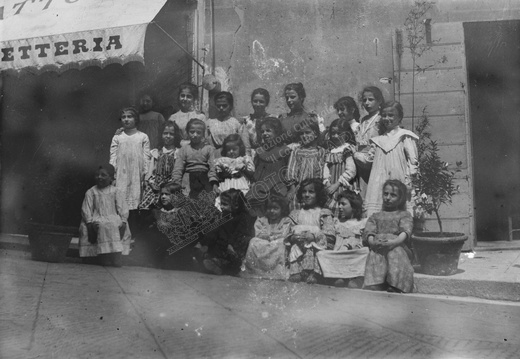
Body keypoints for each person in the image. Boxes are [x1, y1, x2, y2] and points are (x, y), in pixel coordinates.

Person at [364, 101, 419, 216]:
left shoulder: (405, 136)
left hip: (398, 176)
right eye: (384, 115)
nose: (386, 118)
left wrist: (409, 181)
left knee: (399, 208)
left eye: (391, 115)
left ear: (399, 117)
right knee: (378, 206)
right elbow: (369, 158)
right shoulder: (378, 140)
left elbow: (413, 161)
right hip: (378, 179)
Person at [364, 180, 415, 293]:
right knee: (375, 253)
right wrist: (372, 242)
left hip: (398, 245)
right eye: (385, 194)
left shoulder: (403, 215)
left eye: (393, 195)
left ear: (400, 198)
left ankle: (396, 283)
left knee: (395, 253)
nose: (388, 197)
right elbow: (369, 231)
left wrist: (394, 242)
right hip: (379, 245)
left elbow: (405, 232)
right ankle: (377, 282)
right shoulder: (376, 216)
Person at [78, 164, 131, 267]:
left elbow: (122, 208)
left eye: (103, 175)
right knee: (102, 226)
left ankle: (115, 256)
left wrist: (123, 221)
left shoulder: (116, 191)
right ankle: (103, 256)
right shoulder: (91, 192)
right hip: (96, 217)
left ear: (111, 178)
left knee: (113, 225)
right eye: (97, 175)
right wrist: (89, 223)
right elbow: (86, 209)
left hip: (112, 216)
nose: (99, 177)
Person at [284, 179, 335, 284]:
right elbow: (288, 232)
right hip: (299, 245)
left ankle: (313, 273)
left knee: (312, 247)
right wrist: (292, 237)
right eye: (304, 191)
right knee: (294, 248)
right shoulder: (296, 214)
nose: (306, 195)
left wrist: (315, 236)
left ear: (318, 194)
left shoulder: (323, 213)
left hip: (316, 245)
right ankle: (296, 272)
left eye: (311, 192)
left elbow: (329, 235)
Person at [109, 107, 151, 233]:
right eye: (124, 117)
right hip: (121, 175)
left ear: (136, 119)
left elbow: (146, 157)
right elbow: (113, 157)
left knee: (135, 202)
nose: (126, 119)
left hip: (136, 175)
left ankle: (133, 234)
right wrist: (113, 175)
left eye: (130, 116)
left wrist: (145, 174)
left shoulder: (142, 137)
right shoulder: (117, 138)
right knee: (121, 203)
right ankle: (120, 233)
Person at [317, 190, 368, 287]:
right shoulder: (337, 222)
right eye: (339, 204)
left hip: (354, 253)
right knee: (322, 254)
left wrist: (357, 247)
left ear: (353, 206)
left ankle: (356, 278)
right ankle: (339, 276)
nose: (339, 207)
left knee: (364, 253)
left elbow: (364, 240)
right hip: (339, 253)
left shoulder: (362, 222)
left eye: (343, 204)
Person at [201, 189, 255, 275]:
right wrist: (206, 243)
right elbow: (215, 230)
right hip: (224, 243)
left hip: (235, 245)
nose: (221, 207)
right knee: (213, 246)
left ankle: (222, 265)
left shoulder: (243, 217)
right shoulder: (224, 216)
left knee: (231, 256)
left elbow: (240, 232)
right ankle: (215, 262)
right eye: (221, 204)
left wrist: (231, 244)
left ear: (236, 205)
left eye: (225, 204)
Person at [246, 117, 291, 217]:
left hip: (278, 186)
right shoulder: (260, 151)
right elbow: (256, 172)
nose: (265, 134)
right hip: (261, 186)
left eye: (268, 131)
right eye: (262, 131)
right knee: (249, 202)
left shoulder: (285, 151)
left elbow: (288, 170)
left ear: (277, 132)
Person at [242, 195, 294, 280]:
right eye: (269, 208)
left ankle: (277, 272)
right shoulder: (262, 220)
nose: (272, 211)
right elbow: (258, 232)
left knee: (281, 243)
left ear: (282, 209)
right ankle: (255, 270)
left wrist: (273, 237)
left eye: (275, 208)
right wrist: (266, 236)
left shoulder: (285, 220)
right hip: (264, 241)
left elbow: (285, 233)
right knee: (253, 241)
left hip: (277, 241)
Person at [171, 118, 219, 199]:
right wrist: (176, 184)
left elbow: (212, 167)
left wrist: (214, 183)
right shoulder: (184, 149)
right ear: (187, 132)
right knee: (188, 202)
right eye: (192, 132)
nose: (195, 135)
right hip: (188, 179)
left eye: (199, 132)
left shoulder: (209, 149)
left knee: (206, 203)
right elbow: (178, 168)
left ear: (203, 134)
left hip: (205, 179)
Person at [286, 118, 326, 210]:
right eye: (301, 134)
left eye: (307, 132)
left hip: (316, 189)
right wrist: (292, 189)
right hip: (300, 189)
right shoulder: (297, 151)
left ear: (315, 134)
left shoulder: (321, 151)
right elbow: (291, 171)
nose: (304, 136)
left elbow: (322, 171)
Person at [353, 86, 385, 199]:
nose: (367, 103)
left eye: (371, 100)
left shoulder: (381, 119)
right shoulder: (363, 120)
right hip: (361, 163)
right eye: (364, 100)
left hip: (375, 161)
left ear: (379, 101)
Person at [322, 118, 357, 215]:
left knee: (343, 205)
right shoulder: (330, 150)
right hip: (331, 184)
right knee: (329, 206)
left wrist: (337, 184)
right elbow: (325, 167)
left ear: (346, 133)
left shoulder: (347, 149)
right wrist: (327, 182)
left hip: (343, 184)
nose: (336, 136)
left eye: (339, 133)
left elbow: (351, 170)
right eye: (333, 133)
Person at [139, 123, 176, 210]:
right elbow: (150, 171)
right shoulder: (155, 152)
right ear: (161, 135)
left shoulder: (177, 153)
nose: (168, 136)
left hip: (170, 184)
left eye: (171, 134)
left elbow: (177, 172)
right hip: (155, 184)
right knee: (149, 208)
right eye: (165, 133)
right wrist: (151, 183)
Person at [214, 134, 254, 208]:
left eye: (234, 149)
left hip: (240, 182)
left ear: (240, 148)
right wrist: (224, 173)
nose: (231, 152)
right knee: (226, 200)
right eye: (228, 150)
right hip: (228, 183)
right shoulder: (222, 160)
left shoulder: (244, 159)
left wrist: (243, 169)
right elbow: (218, 174)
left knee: (240, 200)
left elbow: (251, 173)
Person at [167, 83, 206, 148]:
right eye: (182, 96)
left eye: (189, 96)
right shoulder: (173, 117)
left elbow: (204, 139)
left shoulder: (200, 116)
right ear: (178, 97)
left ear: (194, 98)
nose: (185, 99)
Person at [242, 88, 273, 156]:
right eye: (255, 101)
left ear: (266, 103)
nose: (258, 104)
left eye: (261, 102)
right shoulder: (246, 121)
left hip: (269, 154)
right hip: (252, 155)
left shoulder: (273, 119)